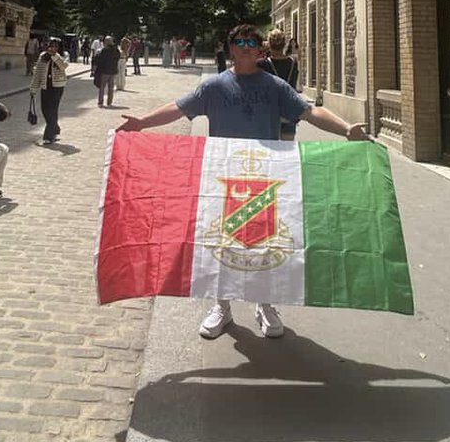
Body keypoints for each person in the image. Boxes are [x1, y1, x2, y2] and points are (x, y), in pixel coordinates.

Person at [118, 22, 369, 341]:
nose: (247, 47)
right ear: (231, 47)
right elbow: (178, 108)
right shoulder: (214, 86)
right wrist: (142, 122)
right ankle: (221, 306)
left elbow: (309, 112)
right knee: (223, 243)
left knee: (267, 242)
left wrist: (346, 129)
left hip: (266, 177)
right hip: (224, 180)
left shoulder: (276, 86)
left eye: (252, 42)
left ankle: (265, 304)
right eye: (241, 42)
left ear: (260, 49)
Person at [259, 28, 301, 141]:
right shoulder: (293, 63)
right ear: (284, 44)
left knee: (270, 148)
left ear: (269, 44)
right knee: (288, 146)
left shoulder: (263, 64)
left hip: (269, 111)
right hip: (289, 109)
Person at [30, 35, 68, 144]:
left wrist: (54, 56)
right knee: (45, 109)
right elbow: (38, 73)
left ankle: (48, 136)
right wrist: (33, 88)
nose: (53, 48)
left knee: (53, 110)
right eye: (51, 46)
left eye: (55, 46)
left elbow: (63, 66)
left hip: (57, 87)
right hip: (45, 86)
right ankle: (55, 128)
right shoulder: (43, 56)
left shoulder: (63, 55)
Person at [94, 36, 120, 108]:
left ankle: (100, 102)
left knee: (102, 87)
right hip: (113, 71)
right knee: (111, 88)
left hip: (104, 71)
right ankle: (109, 102)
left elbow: (99, 60)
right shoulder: (116, 50)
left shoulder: (103, 50)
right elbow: (117, 58)